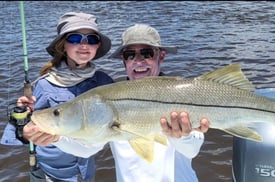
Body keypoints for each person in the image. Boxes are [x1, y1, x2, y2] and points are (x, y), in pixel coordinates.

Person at [1, 12, 113, 181]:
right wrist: (23, 119)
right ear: (63, 45)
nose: (84, 45)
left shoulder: (104, 81)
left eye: (91, 39)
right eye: (75, 38)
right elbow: (21, 133)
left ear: (97, 46)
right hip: (52, 171)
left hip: (86, 167)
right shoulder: (45, 84)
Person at [106, 24, 209, 182]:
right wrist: (58, 137)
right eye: (130, 55)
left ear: (161, 56)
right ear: (123, 60)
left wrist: (182, 136)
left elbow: (192, 150)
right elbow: (84, 149)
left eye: (147, 53)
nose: (139, 61)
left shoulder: (183, 94)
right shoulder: (108, 100)